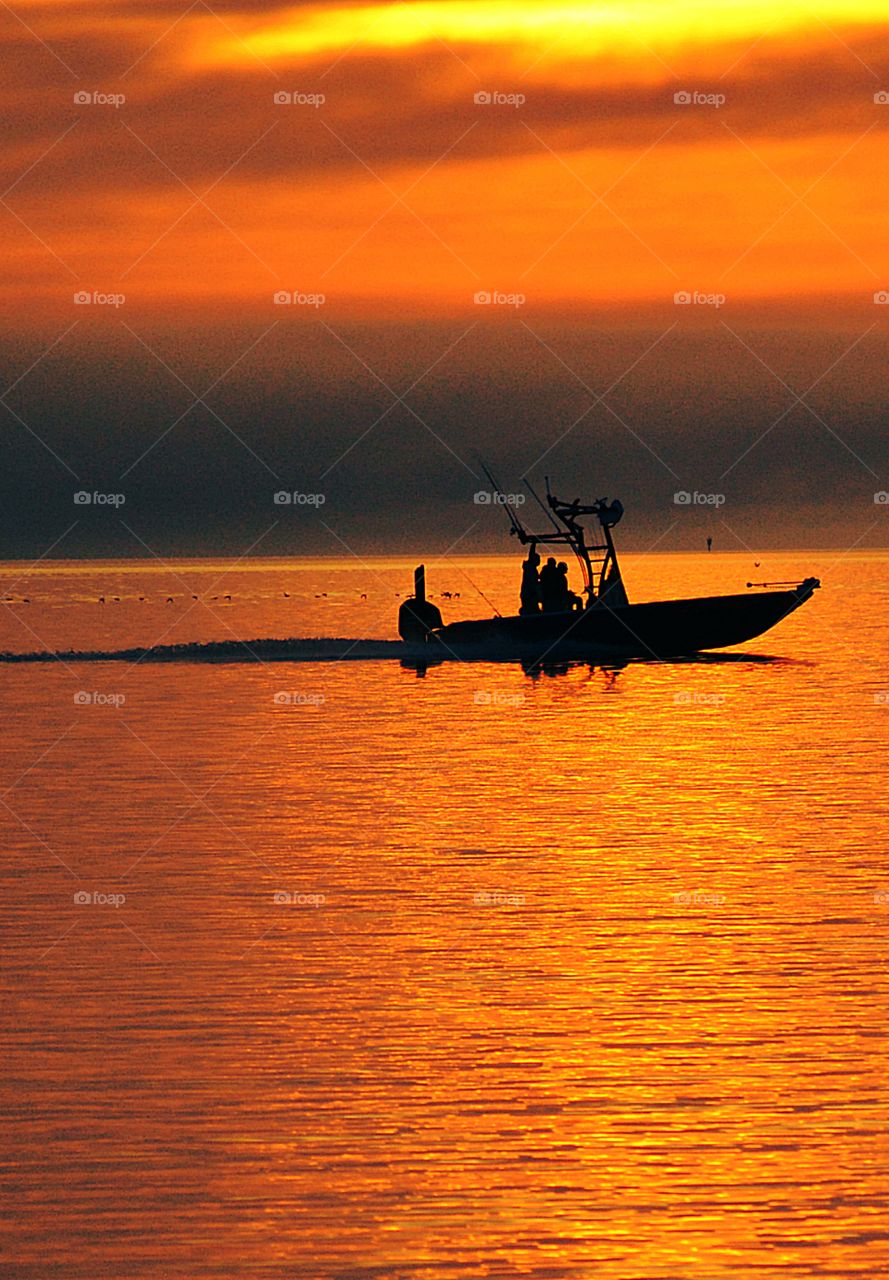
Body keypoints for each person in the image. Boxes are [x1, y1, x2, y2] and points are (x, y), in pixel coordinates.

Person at [519, 547, 541, 615]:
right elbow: (531, 554)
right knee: (530, 610)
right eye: (538, 560)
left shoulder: (533, 569)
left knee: (534, 610)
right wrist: (533, 544)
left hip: (531, 594)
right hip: (528, 594)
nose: (539, 561)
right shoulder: (529, 567)